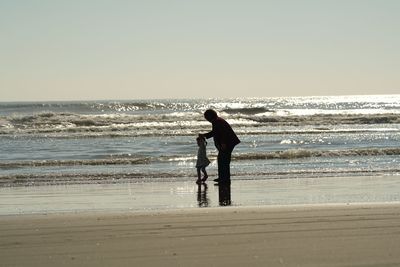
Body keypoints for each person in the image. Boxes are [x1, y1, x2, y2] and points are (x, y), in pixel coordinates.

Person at [199, 109, 240, 184]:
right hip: (228, 142)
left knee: (223, 161)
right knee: (223, 160)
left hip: (227, 142)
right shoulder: (217, 120)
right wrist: (204, 135)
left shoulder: (217, 121)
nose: (206, 119)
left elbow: (222, 133)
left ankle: (224, 179)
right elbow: (215, 132)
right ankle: (223, 178)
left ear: (210, 116)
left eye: (206, 117)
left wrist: (223, 143)